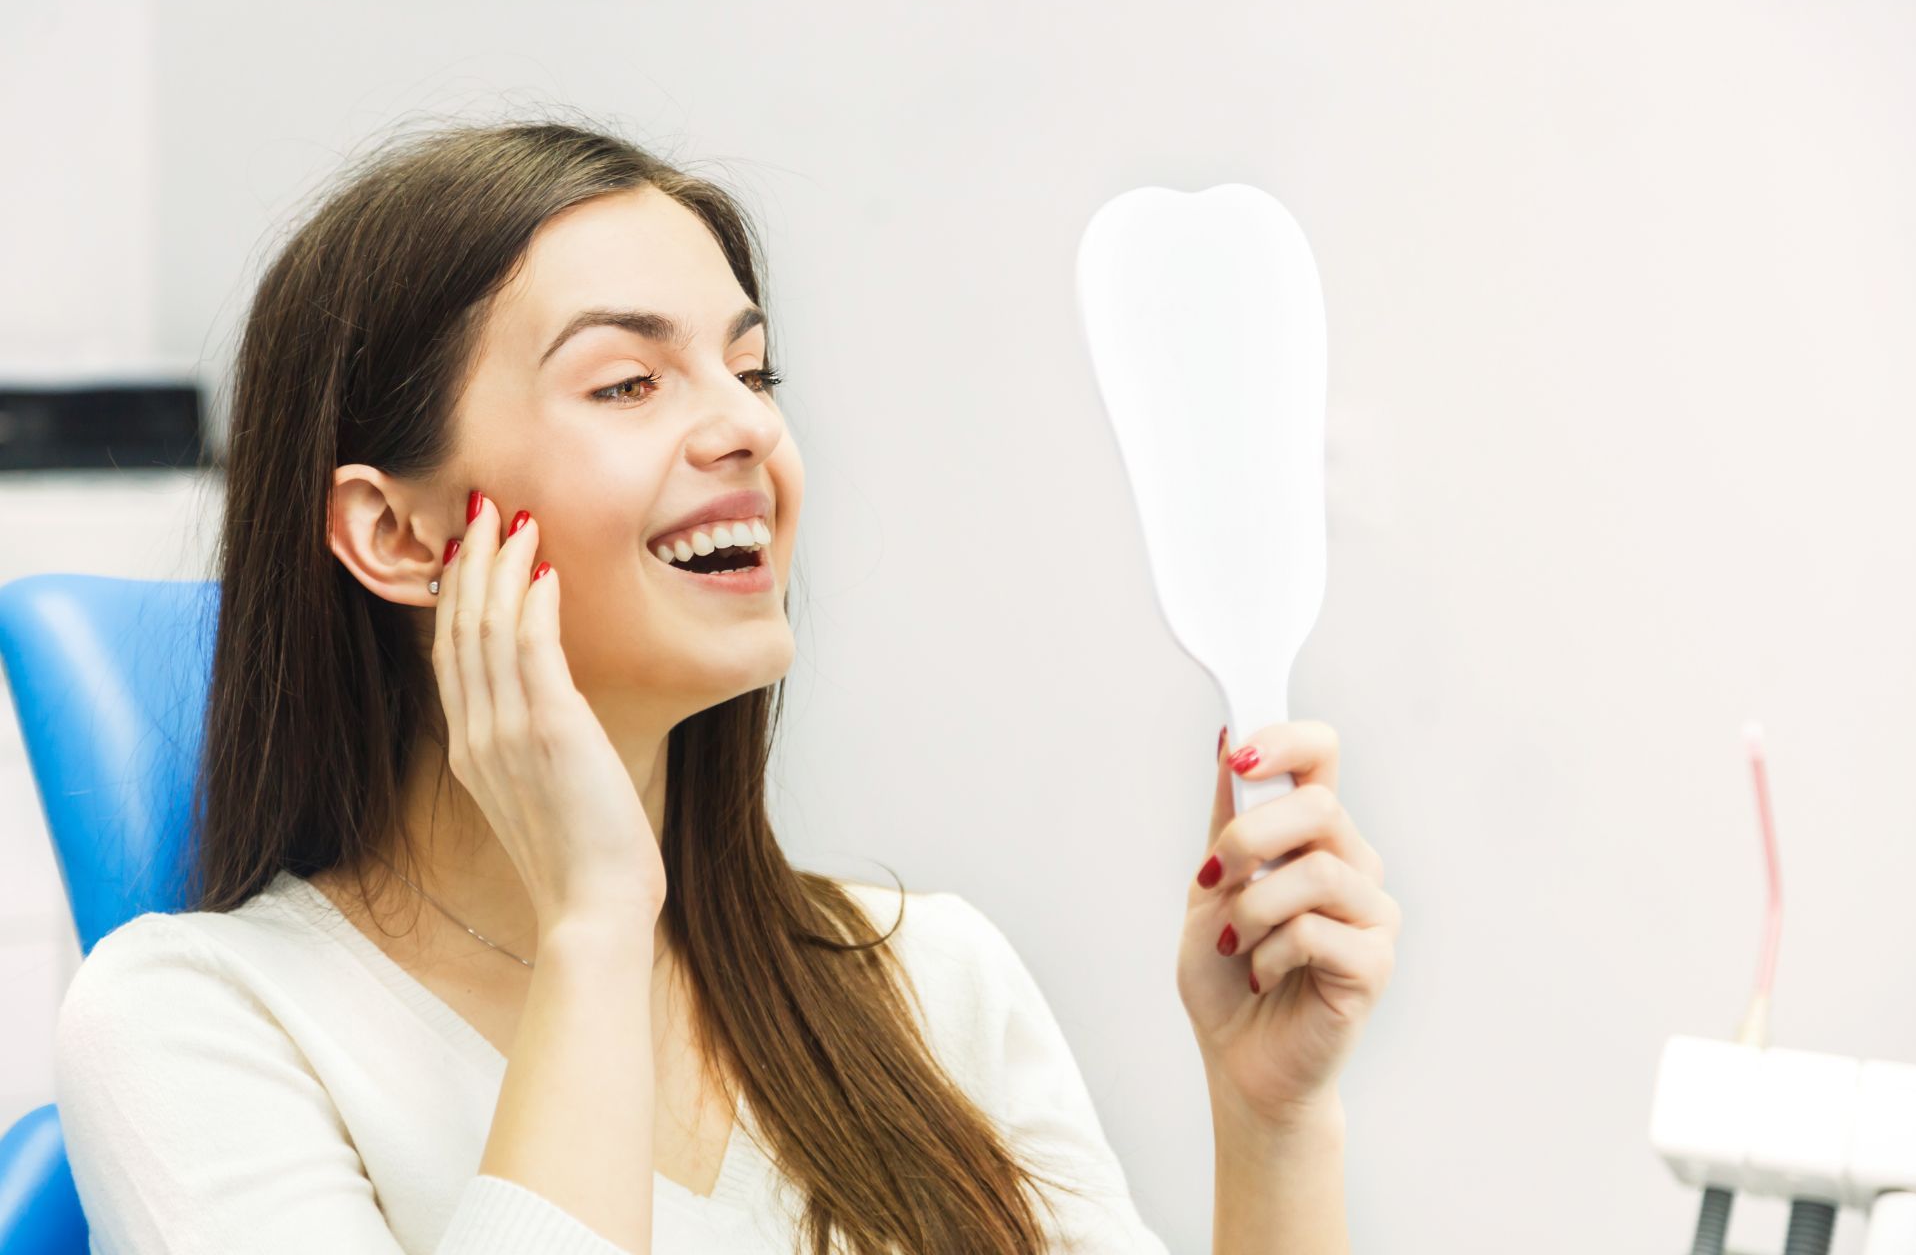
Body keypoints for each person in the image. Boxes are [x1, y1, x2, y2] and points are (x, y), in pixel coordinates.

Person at [50, 114, 1400, 1254]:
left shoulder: (923, 978)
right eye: (629, 382)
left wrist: (1271, 1122)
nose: (748, 426)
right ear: (399, 535)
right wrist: (594, 923)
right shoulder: (194, 1024)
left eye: (755, 374)